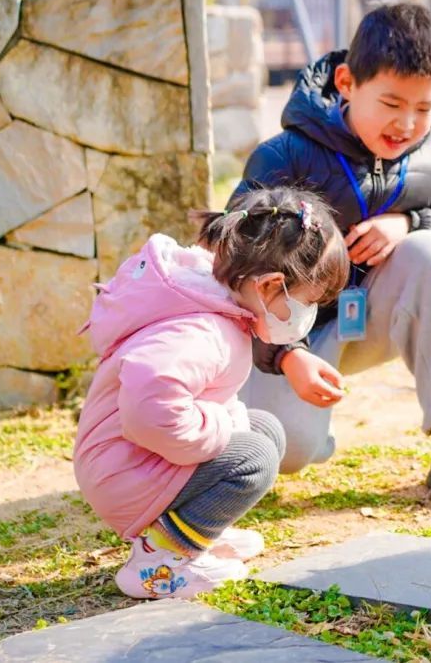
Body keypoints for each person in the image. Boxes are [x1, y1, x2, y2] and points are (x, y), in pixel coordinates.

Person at [234, 2, 431, 503]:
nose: (407, 123)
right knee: (285, 450)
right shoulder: (283, 156)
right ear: (346, 82)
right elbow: (236, 275)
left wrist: (411, 222)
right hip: (295, 335)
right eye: (391, 102)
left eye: (425, 108)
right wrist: (285, 353)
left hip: (374, 319)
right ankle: (290, 425)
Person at [74, 187, 348, 599]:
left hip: (137, 462)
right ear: (270, 285)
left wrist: (227, 422)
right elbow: (149, 413)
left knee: (265, 430)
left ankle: (193, 534)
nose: (309, 315)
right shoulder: (202, 330)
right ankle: (159, 561)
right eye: (309, 302)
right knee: (252, 459)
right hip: (125, 472)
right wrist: (222, 424)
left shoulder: (216, 302)